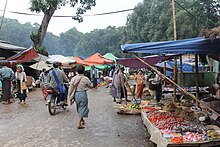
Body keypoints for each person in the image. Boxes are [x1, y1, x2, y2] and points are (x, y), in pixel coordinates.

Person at [68, 65, 93, 129]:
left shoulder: (74, 78)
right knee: (83, 107)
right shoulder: (85, 78)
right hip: (82, 94)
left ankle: (82, 120)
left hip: (76, 94)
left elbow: (71, 88)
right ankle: (79, 123)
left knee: (79, 107)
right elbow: (91, 86)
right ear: (84, 71)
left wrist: (70, 96)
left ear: (77, 71)